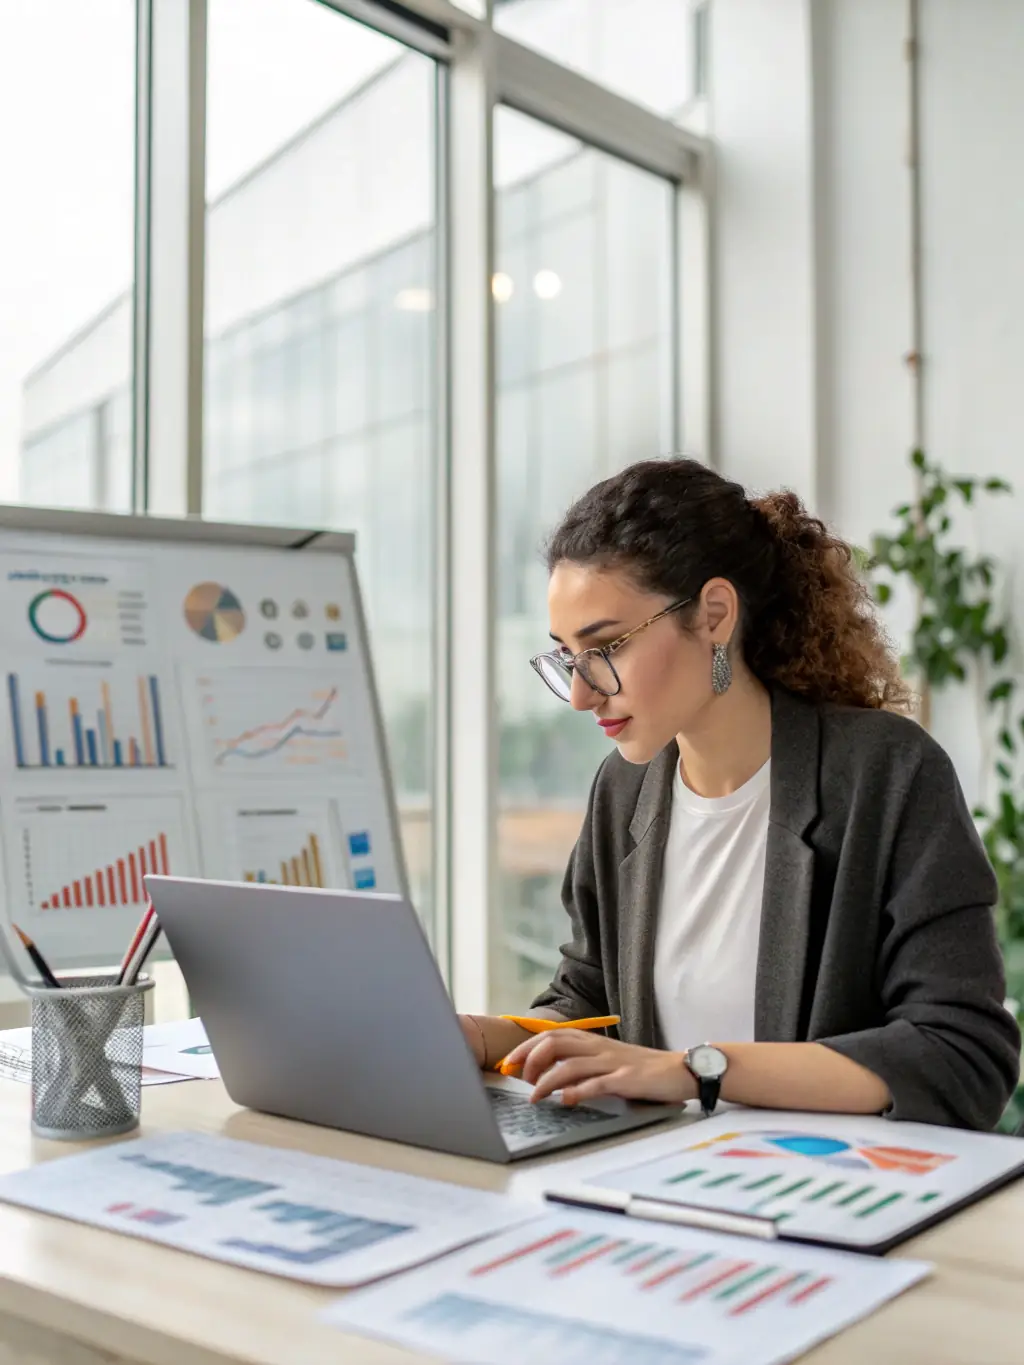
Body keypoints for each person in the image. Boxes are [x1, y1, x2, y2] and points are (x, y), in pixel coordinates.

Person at [460, 458, 1020, 1131]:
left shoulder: (888, 774)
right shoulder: (624, 789)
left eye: (605, 646)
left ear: (715, 614)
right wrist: (482, 1036)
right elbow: (589, 1000)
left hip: (827, 1199)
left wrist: (696, 1069)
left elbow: (962, 1056)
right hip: (653, 1182)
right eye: (566, 656)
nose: (581, 692)